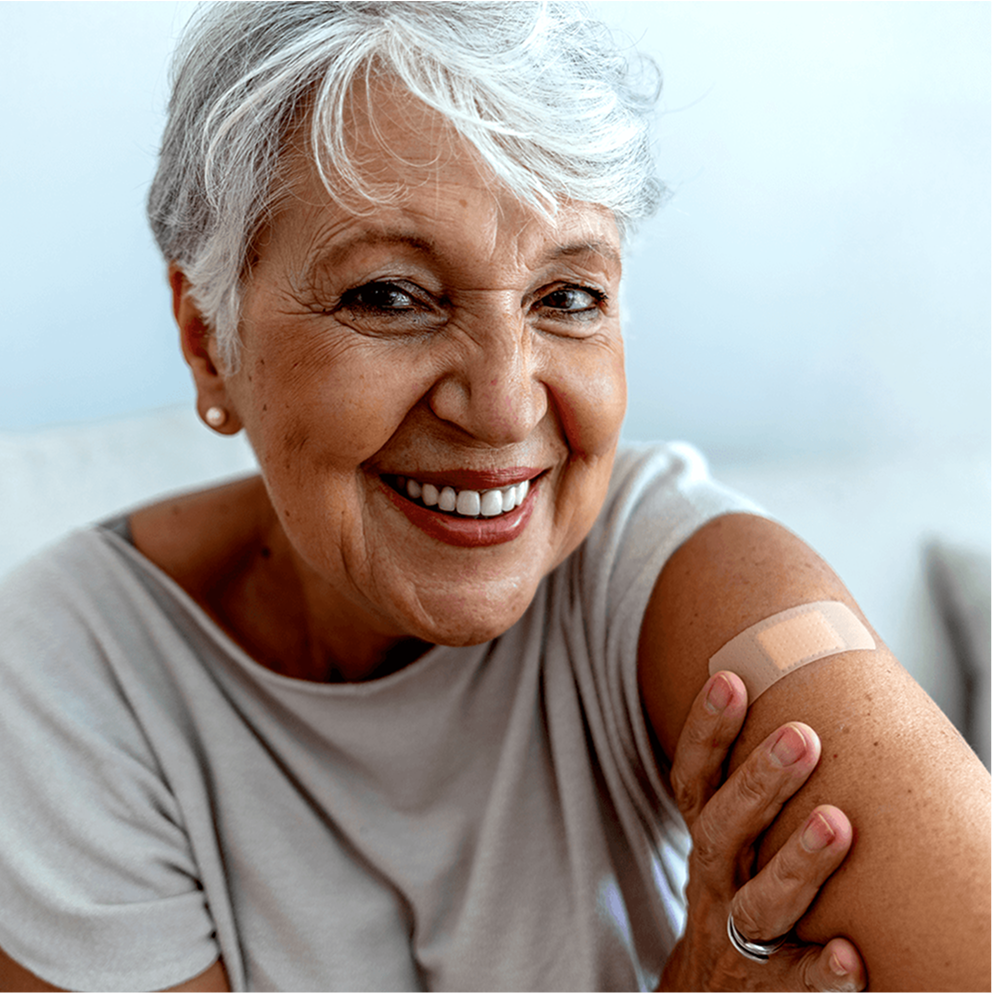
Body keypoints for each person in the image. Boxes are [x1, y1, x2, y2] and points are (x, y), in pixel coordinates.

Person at [1, 2, 990, 991]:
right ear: (208, 342)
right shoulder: (63, 679)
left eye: (567, 297)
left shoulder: (678, 566)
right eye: (389, 295)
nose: (505, 405)